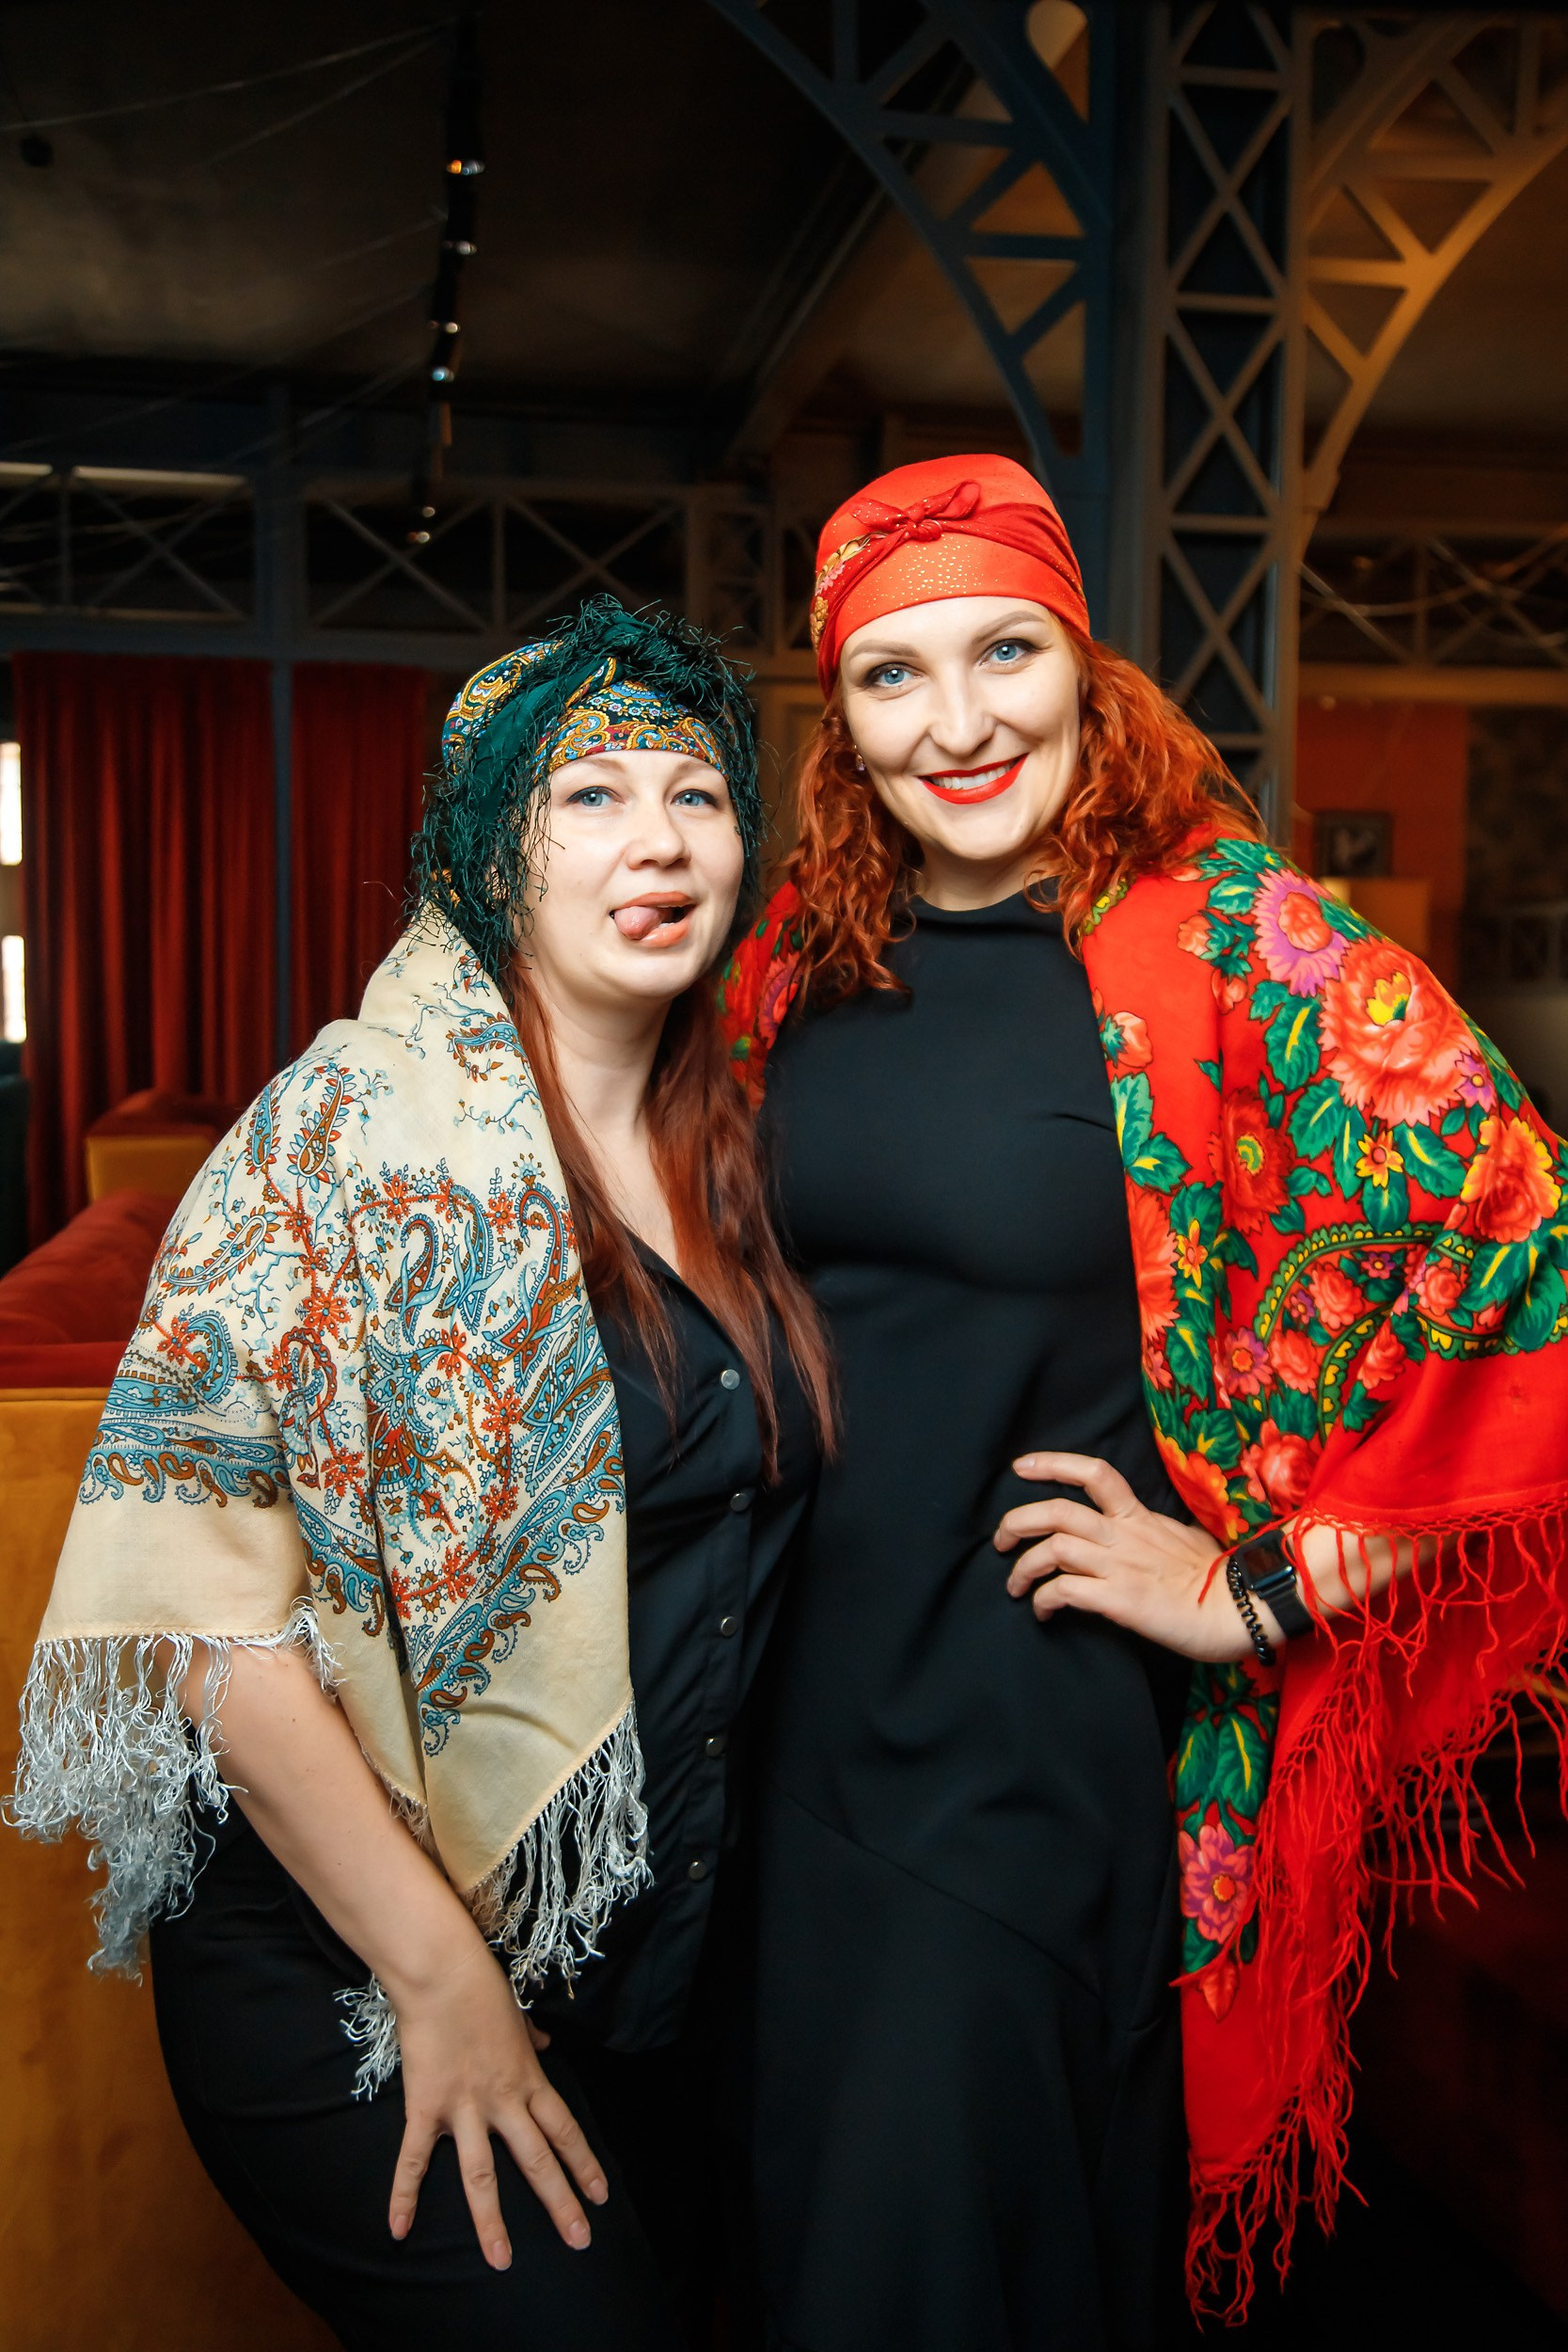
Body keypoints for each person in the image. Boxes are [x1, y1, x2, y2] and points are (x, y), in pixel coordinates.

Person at [718, 453, 1568, 2350]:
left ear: (1084, 663)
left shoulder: (1226, 939)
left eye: (1004, 652)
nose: (956, 723)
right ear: (840, 715)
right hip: (789, 1732)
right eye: (893, 674)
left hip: (1020, 1737)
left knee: (926, 2270)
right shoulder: (801, 950)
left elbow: (1530, 1253)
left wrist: (1259, 1587)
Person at [13, 598, 832, 2352]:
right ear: (487, 850)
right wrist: (445, 1976)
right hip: (351, 1943)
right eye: (590, 796)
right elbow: (201, 1623)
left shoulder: (734, 1149)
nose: (660, 839)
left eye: (696, 793)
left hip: (627, 1954)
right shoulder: (345, 1127)